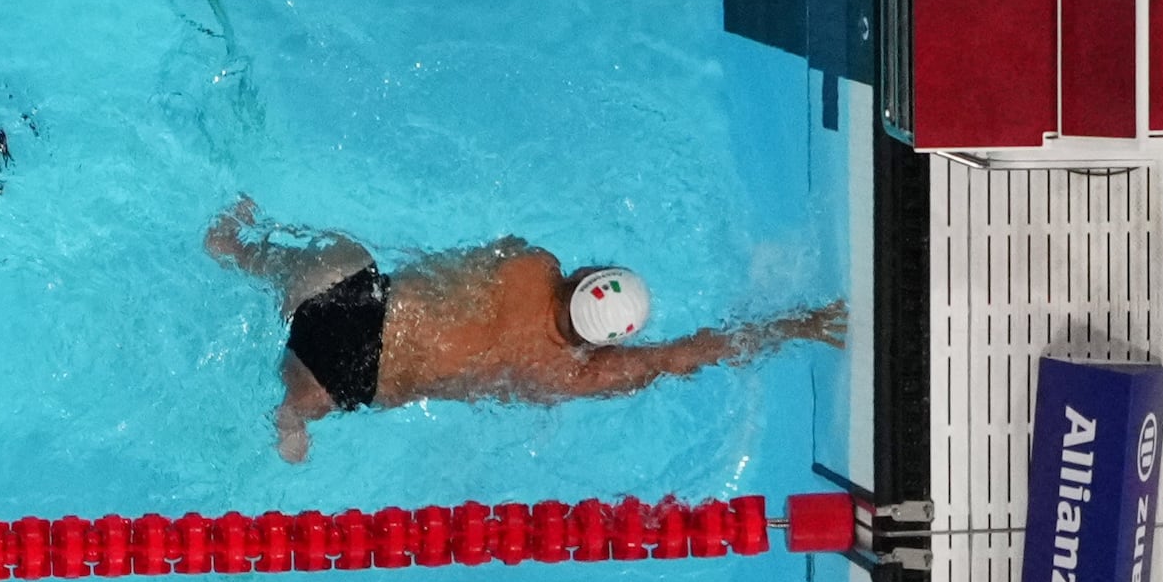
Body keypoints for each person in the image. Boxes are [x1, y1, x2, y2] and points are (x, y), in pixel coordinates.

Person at [201, 200, 843, 465]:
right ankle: (297, 411)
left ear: (588, 273)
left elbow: (447, 262)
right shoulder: (574, 375)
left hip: (352, 297)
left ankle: (234, 249)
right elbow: (686, 356)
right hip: (357, 378)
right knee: (320, 395)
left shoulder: (530, 266)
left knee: (334, 253)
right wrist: (798, 324)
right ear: (606, 341)